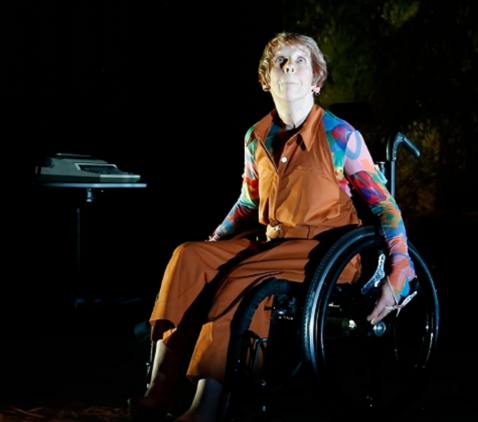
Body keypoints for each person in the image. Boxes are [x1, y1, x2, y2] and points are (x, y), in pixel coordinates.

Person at [128, 32, 416, 422]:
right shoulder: (256, 138)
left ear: (316, 79)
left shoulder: (340, 136)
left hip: (329, 252)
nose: (289, 67)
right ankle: (160, 388)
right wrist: (215, 240)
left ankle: (206, 407)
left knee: (243, 277)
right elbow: (248, 202)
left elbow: (386, 207)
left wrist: (400, 267)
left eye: (300, 61)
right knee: (189, 257)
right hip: (272, 244)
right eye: (280, 60)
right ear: (266, 79)